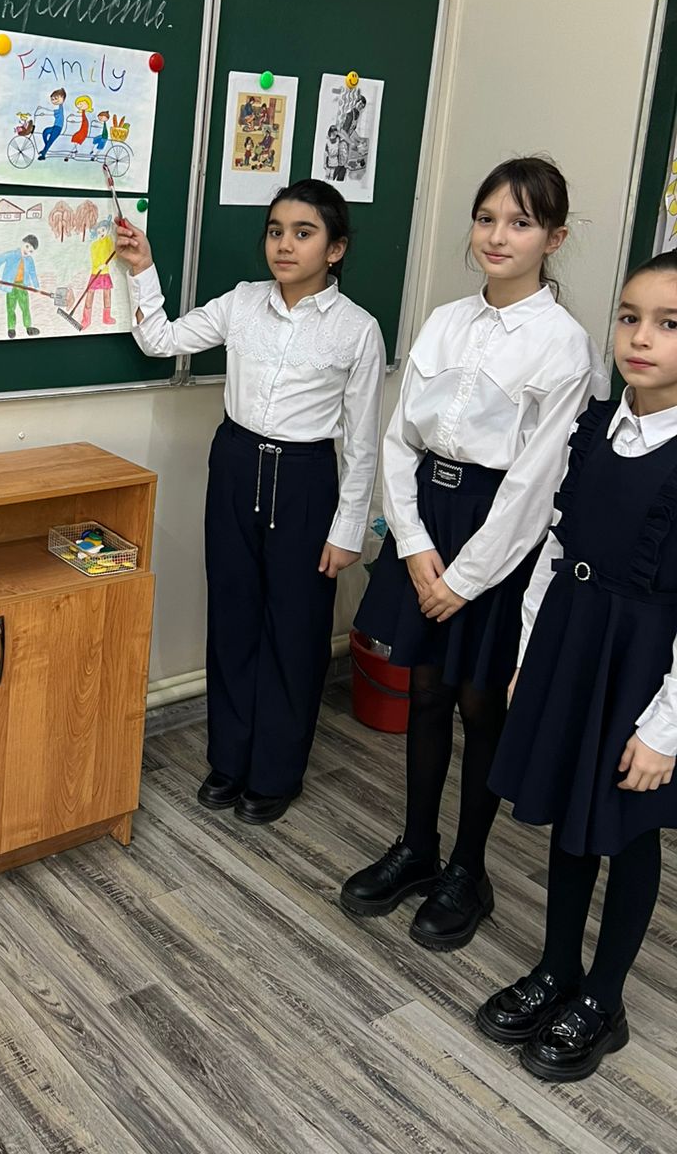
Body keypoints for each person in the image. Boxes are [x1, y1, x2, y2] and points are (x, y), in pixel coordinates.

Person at [339, 158, 607, 950]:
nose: (497, 236)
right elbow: (400, 438)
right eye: (487, 218)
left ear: (554, 238)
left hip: (499, 532)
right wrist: (415, 543)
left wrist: (467, 577)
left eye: (520, 223)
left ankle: (468, 869)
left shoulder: (565, 346)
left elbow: (537, 480)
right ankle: (417, 846)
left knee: (480, 701)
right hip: (430, 516)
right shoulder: (446, 320)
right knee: (424, 689)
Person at [116, 179, 384, 822]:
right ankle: (229, 761)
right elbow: (159, 340)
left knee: (295, 630)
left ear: (335, 248)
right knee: (233, 617)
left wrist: (348, 527)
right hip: (236, 463)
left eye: (303, 233)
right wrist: (142, 267)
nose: (284, 245)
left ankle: (276, 772)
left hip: (305, 477)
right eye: (275, 231)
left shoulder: (357, 330)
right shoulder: (241, 303)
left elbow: (362, 439)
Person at [475, 252, 677, 1081]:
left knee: (625, 829)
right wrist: (530, 660)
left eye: (668, 325)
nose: (641, 338)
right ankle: (557, 967)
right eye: (629, 318)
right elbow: (555, 553)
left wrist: (665, 730)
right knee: (568, 810)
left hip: (644, 668)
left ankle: (604, 998)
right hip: (571, 640)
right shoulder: (596, 428)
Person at [0, 235, 42, 338]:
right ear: (22, 243)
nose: (27, 251)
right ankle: (11, 328)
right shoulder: (11, 255)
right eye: (27, 246)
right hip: (10, 286)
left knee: (25, 307)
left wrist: (36, 286)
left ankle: (29, 327)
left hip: (23, 286)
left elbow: (32, 273)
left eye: (31, 251)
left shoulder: (29, 260)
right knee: (10, 308)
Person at [79, 217, 117, 330]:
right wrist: (99, 265)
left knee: (107, 294)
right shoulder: (94, 245)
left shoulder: (109, 241)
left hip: (105, 273)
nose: (101, 233)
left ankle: (107, 317)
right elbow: (94, 259)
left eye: (103, 230)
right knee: (90, 293)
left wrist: (106, 263)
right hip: (96, 272)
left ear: (107, 230)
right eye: (99, 231)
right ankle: (86, 320)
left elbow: (114, 254)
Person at [39, 89, 66, 159]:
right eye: (52, 99)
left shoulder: (60, 107)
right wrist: (43, 109)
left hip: (58, 128)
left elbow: (52, 113)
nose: (54, 101)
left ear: (62, 98)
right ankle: (45, 148)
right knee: (45, 132)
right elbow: (52, 112)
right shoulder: (58, 107)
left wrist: (43, 111)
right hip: (55, 126)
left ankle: (43, 155)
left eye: (56, 98)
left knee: (50, 140)